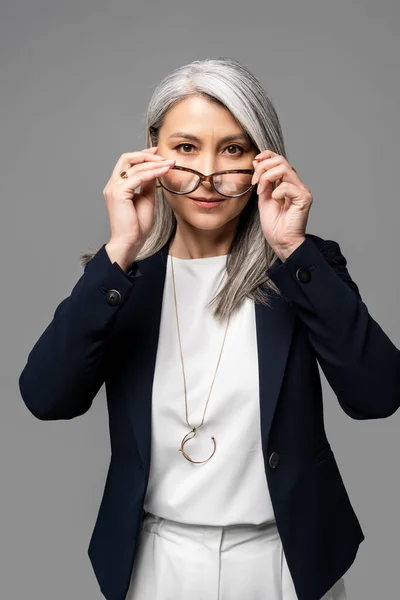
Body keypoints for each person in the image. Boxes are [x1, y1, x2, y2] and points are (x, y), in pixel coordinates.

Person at [18, 57, 400, 600]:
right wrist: (119, 250)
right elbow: (45, 397)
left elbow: (378, 395)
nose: (210, 176)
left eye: (234, 149)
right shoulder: (121, 280)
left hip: (284, 562)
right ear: (153, 150)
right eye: (187, 147)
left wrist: (293, 249)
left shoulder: (303, 267)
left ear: (262, 158)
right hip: (155, 560)